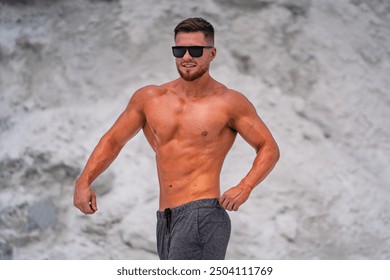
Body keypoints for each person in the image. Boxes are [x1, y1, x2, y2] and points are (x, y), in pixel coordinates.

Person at [73, 17, 280, 260]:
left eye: (195, 50)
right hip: (166, 218)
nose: (186, 57)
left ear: (212, 53)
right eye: (179, 50)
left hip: (202, 214)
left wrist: (245, 187)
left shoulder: (228, 102)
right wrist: (83, 181)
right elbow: (113, 140)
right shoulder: (150, 98)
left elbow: (269, 147)